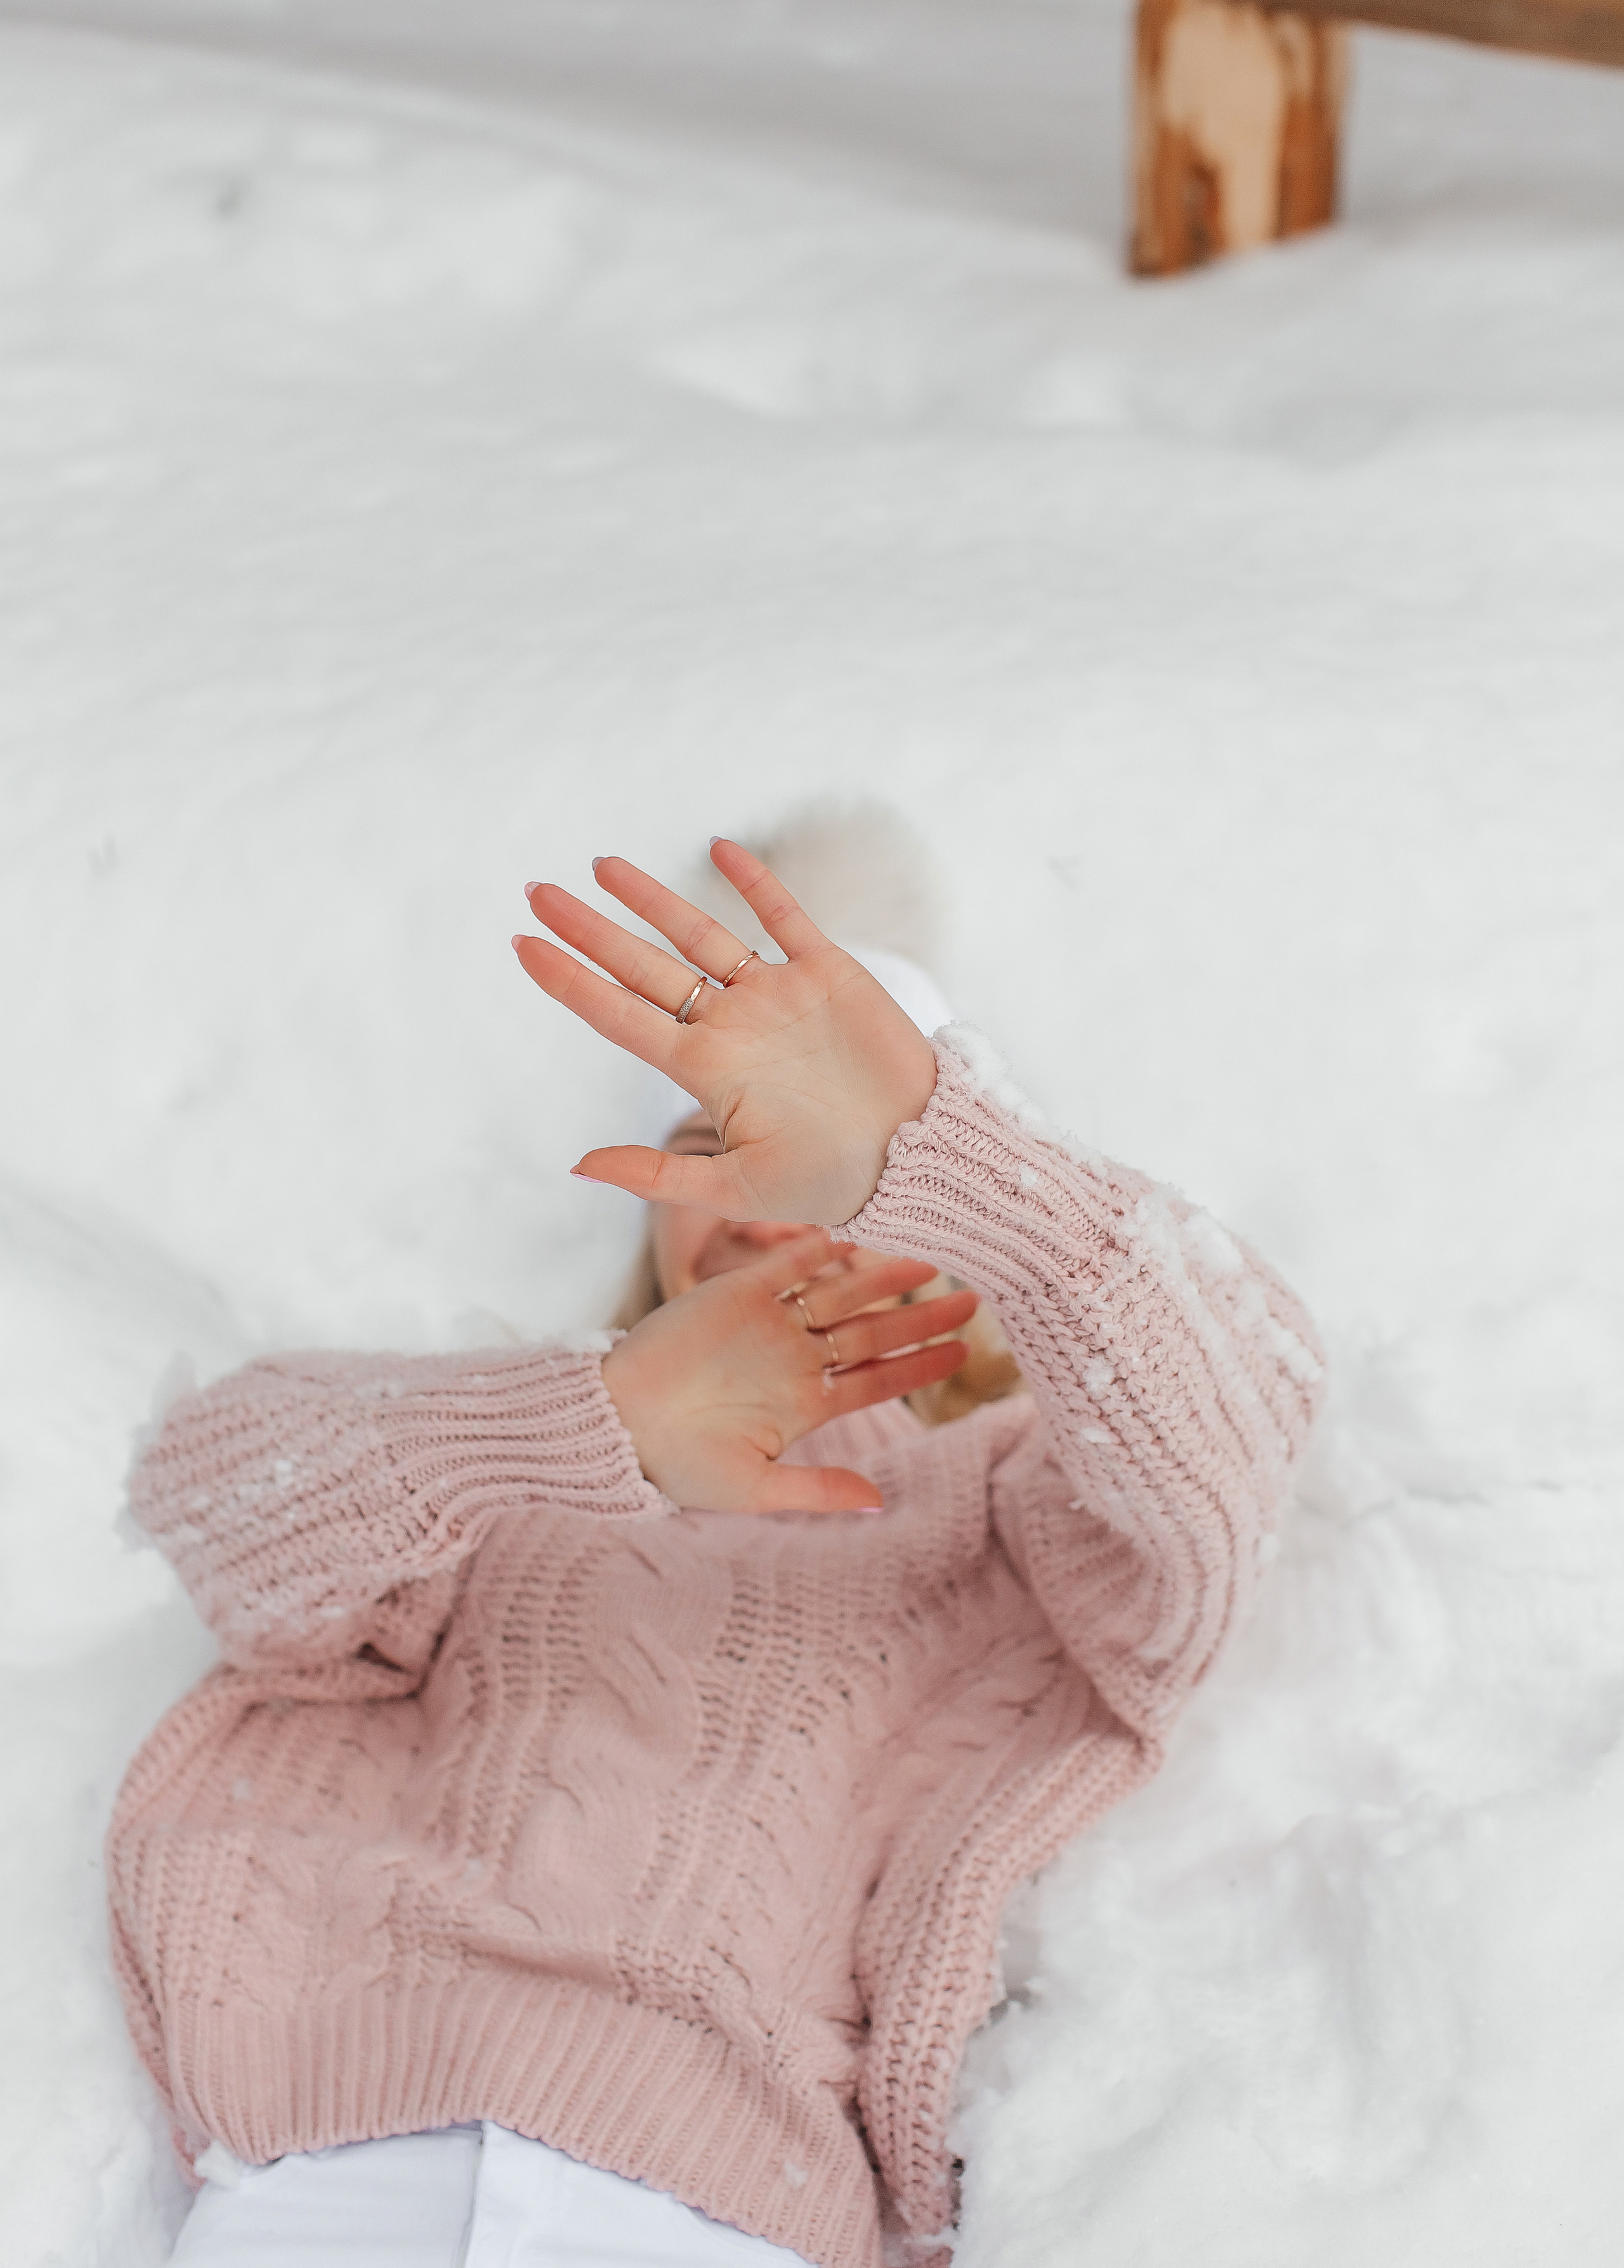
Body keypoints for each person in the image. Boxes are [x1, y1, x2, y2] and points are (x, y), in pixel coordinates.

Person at [109, 837, 1325, 2268]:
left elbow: (1245, 1413)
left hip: (719, 2211)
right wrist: (596, 1419)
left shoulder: (1017, 1494)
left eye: (805, 1156)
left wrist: (947, 1156)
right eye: (699, 1152)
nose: (747, 1196)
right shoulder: (518, 1448)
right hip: (334, 2172)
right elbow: (207, 1494)